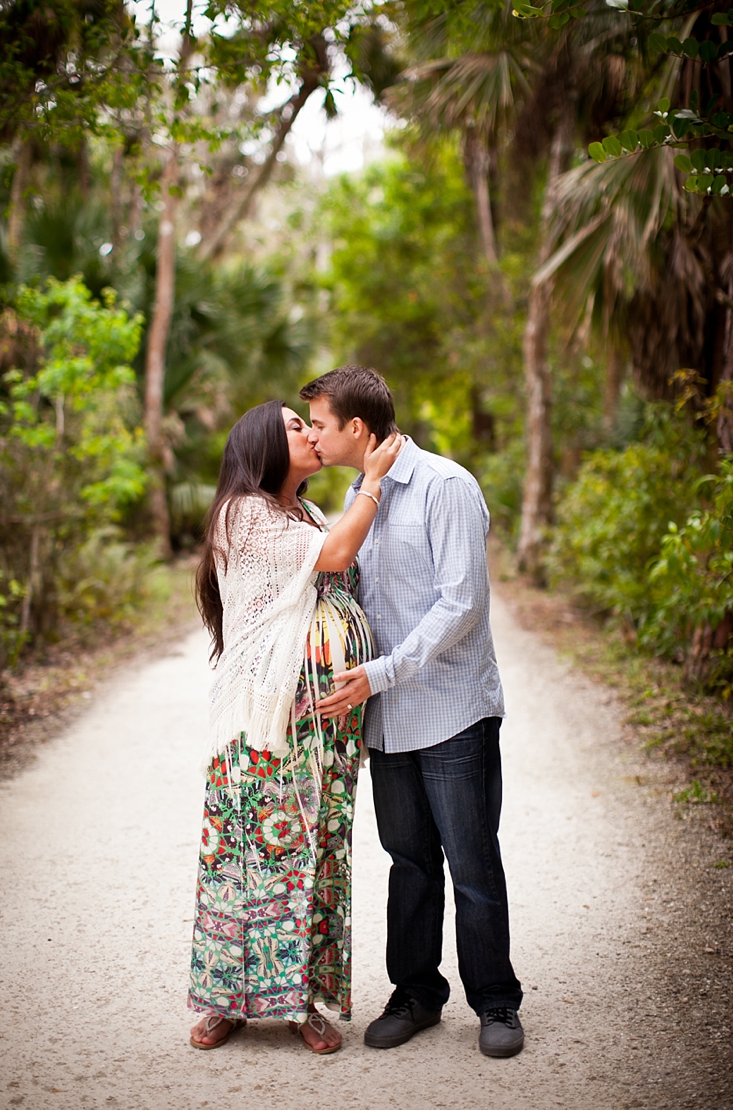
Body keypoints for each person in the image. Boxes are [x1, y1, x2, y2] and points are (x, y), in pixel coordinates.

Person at [300, 366, 524, 1058]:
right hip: (387, 715)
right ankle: (418, 992)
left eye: (320, 423)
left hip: (451, 709)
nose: (311, 433)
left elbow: (461, 604)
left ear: (357, 429)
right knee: (409, 860)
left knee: (471, 860)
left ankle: (496, 1002)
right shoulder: (356, 492)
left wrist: (382, 671)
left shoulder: (446, 487)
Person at [188, 399, 403, 1054]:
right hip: (260, 717)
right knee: (240, 858)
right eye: (294, 425)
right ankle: (227, 998)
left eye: (311, 423)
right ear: (261, 445)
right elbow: (337, 555)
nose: (310, 432)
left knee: (315, 854)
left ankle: (302, 999)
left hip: (322, 724)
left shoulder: (305, 511)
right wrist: (371, 483)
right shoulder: (243, 513)